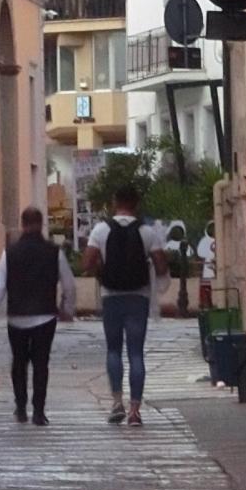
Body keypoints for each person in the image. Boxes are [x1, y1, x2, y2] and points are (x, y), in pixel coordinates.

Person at [82, 183, 168, 427]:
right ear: (136, 204)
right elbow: (162, 267)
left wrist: (101, 270)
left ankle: (117, 403)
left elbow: (86, 264)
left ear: (114, 202)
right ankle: (135, 411)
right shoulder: (147, 232)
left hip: (111, 296)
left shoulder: (101, 230)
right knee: (136, 352)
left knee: (113, 350)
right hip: (138, 297)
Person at [0, 206, 76, 426]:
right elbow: (69, 284)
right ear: (41, 224)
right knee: (41, 363)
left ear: (22, 224)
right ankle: (39, 411)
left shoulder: (10, 253)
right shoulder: (54, 252)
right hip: (45, 316)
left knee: (19, 362)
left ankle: (21, 407)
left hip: (17, 316)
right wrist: (67, 309)